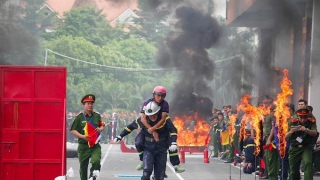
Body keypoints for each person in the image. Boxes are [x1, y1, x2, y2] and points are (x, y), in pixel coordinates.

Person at [114, 101, 179, 180]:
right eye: (150, 115)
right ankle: (142, 161)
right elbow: (130, 127)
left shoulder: (165, 119)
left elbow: (173, 130)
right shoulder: (143, 120)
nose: (152, 117)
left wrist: (173, 143)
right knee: (146, 174)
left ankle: (175, 165)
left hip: (161, 148)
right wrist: (120, 136)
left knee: (159, 177)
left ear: (158, 112)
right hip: (148, 148)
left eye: (154, 115)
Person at [70, 94, 105, 180]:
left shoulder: (97, 116)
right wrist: (82, 136)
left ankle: (92, 178)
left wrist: (100, 129)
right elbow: (73, 130)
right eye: (88, 103)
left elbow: (102, 125)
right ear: (83, 105)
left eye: (91, 103)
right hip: (83, 147)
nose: (90, 105)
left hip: (95, 146)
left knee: (96, 162)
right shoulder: (79, 117)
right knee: (83, 168)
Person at [285, 108, 318, 180]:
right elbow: (285, 136)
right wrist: (291, 131)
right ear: (298, 116)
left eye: (305, 117)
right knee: (293, 169)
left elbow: (315, 133)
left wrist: (307, 130)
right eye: (301, 117)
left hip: (305, 147)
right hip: (294, 148)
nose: (303, 119)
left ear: (308, 116)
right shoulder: (292, 122)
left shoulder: (311, 122)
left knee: (308, 163)